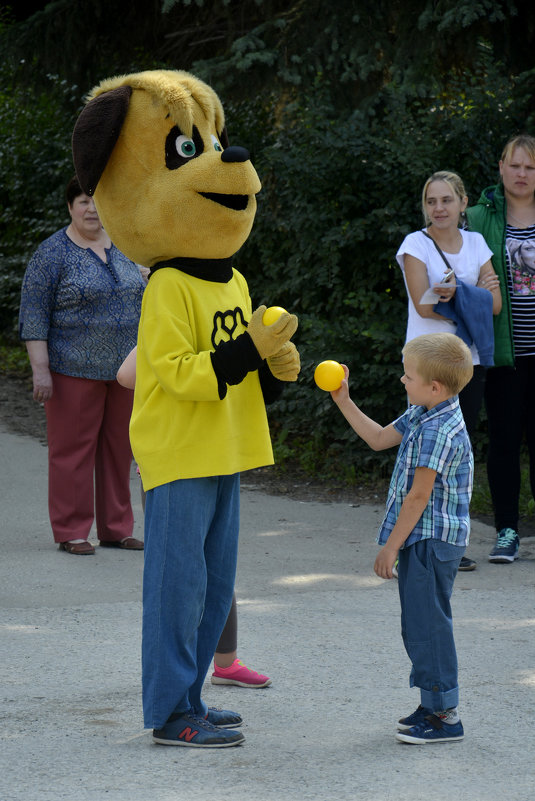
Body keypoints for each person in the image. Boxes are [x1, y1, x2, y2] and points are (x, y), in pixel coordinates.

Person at [331, 332, 473, 744]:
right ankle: (432, 703)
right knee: (418, 623)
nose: (402, 381)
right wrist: (343, 399)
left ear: (434, 386)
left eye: (408, 375)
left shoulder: (438, 429)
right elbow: (377, 439)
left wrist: (391, 546)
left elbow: (419, 495)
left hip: (430, 540)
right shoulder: (422, 413)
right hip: (423, 539)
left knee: (427, 625)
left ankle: (445, 716)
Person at [116, 347, 272, 690]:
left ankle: (226, 662)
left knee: (216, 571)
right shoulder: (165, 330)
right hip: (169, 466)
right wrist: (175, 366)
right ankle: (180, 681)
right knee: (183, 574)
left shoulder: (215, 326)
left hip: (209, 458)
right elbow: (126, 375)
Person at [18, 176, 145, 555]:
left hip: (125, 372)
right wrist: (40, 369)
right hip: (71, 369)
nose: (92, 209)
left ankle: (116, 528)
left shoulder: (127, 246)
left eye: (98, 201)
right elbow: (34, 314)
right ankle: (72, 531)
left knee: (120, 448)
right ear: (70, 207)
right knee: (71, 452)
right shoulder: (52, 254)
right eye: (83, 201)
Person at [396, 170, 502, 571]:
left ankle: (448, 541)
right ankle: (411, 535)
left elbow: (494, 305)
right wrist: (468, 291)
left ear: (462, 204)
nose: (438, 208)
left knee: (456, 452)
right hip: (424, 363)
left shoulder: (476, 243)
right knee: (420, 449)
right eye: (431, 201)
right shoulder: (414, 244)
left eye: (446, 200)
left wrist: (457, 291)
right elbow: (424, 306)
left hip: (465, 362)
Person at [466, 134, 535, 564]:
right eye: (516, 165)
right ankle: (507, 529)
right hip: (504, 353)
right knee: (505, 443)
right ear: (501, 167)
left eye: (530, 167)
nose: (522, 174)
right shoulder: (476, 218)